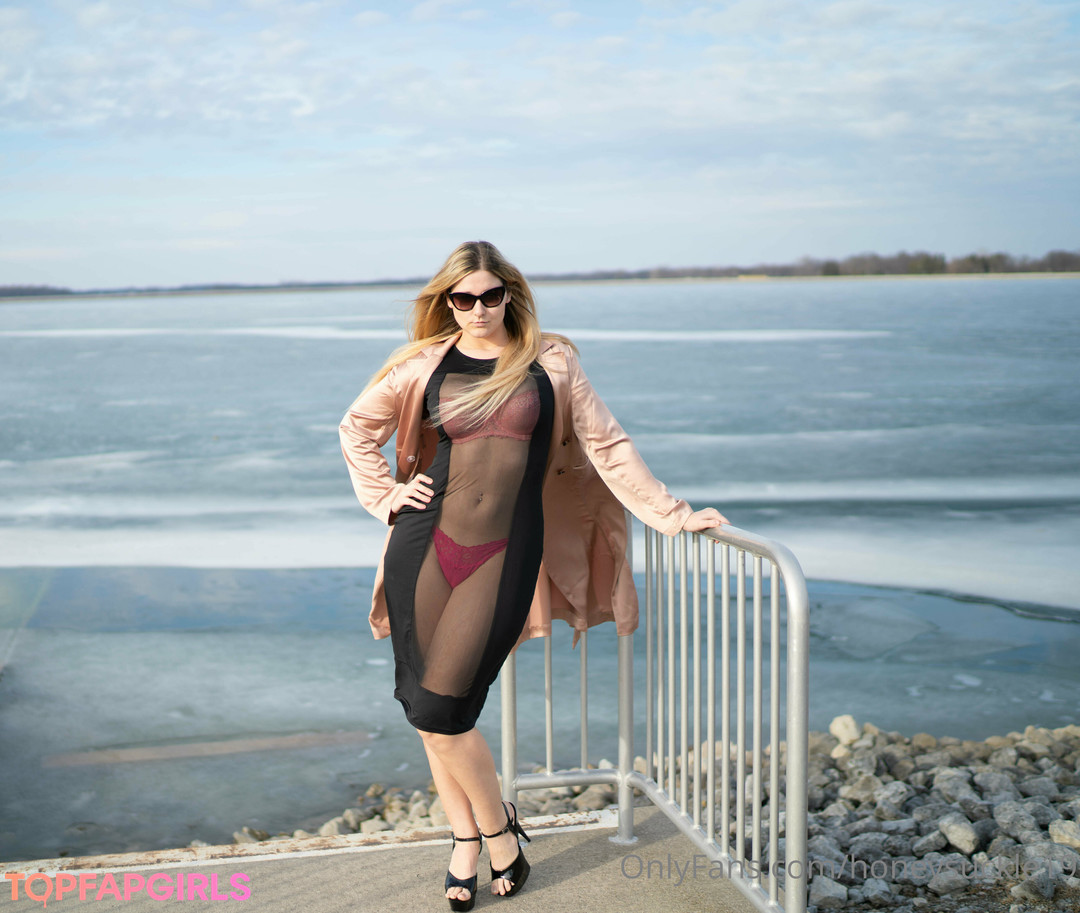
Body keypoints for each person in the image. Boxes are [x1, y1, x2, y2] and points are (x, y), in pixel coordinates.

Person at [339, 241, 727, 910]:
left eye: (491, 295)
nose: (479, 308)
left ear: (510, 295)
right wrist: (386, 497)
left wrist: (673, 515)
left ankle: (497, 829)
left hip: (503, 551)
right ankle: (471, 838)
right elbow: (355, 428)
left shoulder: (551, 361)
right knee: (427, 710)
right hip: (424, 543)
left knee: (443, 708)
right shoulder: (423, 366)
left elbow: (607, 443)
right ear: (448, 302)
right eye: (465, 298)